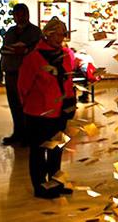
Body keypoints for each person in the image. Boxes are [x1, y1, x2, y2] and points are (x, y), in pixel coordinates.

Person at [18, 18, 76, 199]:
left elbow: (68, 80)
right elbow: (23, 86)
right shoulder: (34, 57)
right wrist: (30, 106)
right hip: (38, 112)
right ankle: (40, 187)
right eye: (57, 34)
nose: (60, 38)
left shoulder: (67, 55)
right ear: (47, 34)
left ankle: (55, 183)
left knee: (56, 149)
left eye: (63, 34)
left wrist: (70, 102)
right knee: (38, 151)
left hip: (60, 110)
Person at [0, 3, 42, 145]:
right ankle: (17, 133)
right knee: (14, 105)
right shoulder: (10, 31)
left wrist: (25, 50)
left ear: (27, 15)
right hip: (10, 72)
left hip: (26, 74)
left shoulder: (35, 32)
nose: (20, 17)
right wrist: (0, 70)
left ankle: (28, 135)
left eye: (22, 14)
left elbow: (38, 51)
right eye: (17, 15)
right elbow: (3, 51)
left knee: (26, 105)